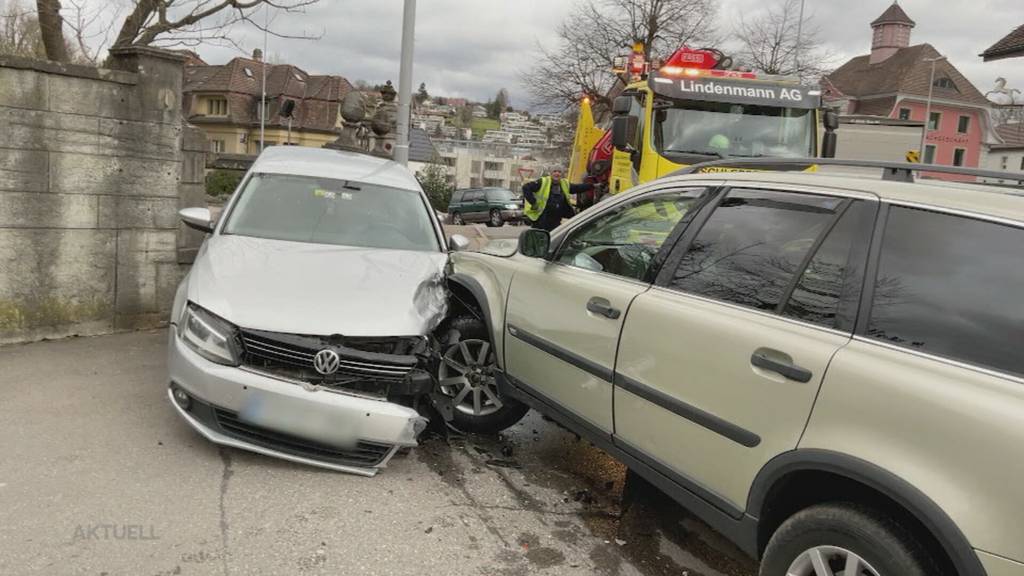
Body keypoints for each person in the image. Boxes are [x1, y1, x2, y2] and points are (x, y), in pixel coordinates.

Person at [521, 168, 593, 231]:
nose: (557, 173)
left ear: (562, 174)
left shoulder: (564, 183)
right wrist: (533, 202)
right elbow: (526, 188)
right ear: (551, 173)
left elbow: (577, 188)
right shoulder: (543, 181)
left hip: (556, 219)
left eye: (559, 171)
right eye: (554, 171)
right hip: (541, 219)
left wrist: (592, 185)